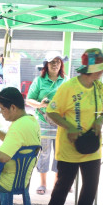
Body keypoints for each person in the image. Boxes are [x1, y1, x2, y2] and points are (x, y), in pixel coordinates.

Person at [43, 48, 103, 205]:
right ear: (90, 69)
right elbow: (51, 112)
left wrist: (99, 121)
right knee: (62, 187)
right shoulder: (68, 87)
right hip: (69, 149)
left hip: (92, 148)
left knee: (90, 188)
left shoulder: (99, 87)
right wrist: (70, 127)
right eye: (100, 67)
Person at [26, 51, 68, 195]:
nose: (55, 64)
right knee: (44, 154)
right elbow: (29, 100)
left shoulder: (66, 81)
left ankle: (57, 183)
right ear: (46, 65)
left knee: (59, 154)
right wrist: (41, 105)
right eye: (52, 62)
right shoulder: (39, 81)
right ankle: (42, 184)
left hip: (61, 123)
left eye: (58, 61)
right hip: (43, 122)